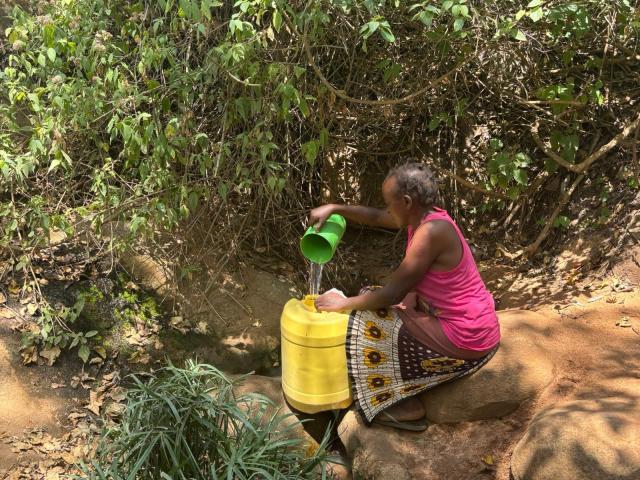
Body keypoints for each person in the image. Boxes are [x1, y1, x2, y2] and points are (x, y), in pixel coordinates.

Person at [309, 162, 500, 431]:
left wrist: (342, 304)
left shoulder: (430, 233)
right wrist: (336, 208)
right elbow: (376, 217)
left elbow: (391, 293)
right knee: (370, 299)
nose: (387, 209)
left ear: (407, 201)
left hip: (467, 335)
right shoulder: (425, 217)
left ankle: (401, 405)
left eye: (389, 203)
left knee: (363, 322)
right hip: (471, 322)